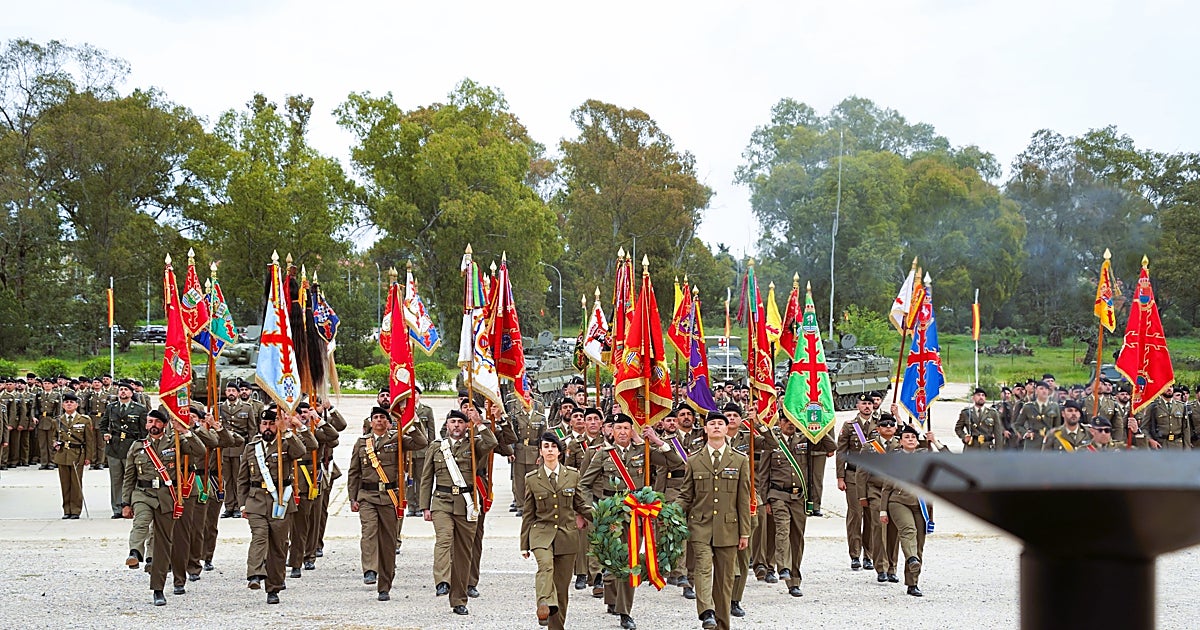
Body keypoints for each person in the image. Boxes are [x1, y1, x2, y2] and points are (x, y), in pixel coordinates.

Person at [579, 413, 682, 630]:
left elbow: (675, 462)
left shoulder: (642, 451)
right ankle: (611, 598)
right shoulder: (603, 455)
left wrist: (655, 440)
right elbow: (584, 485)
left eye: (627, 428)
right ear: (612, 431)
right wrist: (591, 510)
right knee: (612, 561)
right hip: (612, 516)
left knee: (629, 561)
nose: (623, 432)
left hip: (635, 515)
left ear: (631, 430)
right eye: (619, 428)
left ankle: (625, 612)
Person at [121, 409, 207, 605]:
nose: (153, 425)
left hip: (167, 497)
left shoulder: (175, 442)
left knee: (163, 543)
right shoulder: (137, 447)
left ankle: (158, 588)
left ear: (164, 424)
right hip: (143, 494)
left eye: (157, 422)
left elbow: (200, 451)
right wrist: (126, 503)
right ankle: (134, 552)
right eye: (150, 421)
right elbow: (129, 477)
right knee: (141, 522)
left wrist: (185, 431)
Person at [677, 410, 751, 630]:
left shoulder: (739, 460)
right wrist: (671, 514)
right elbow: (685, 495)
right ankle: (706, 611)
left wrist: (744, 532)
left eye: (721, 423)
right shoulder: (694, 460)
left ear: (727, 429)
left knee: (725, 580)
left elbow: (743, 499)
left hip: (729, 528)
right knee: (702, 568)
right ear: (706, 429)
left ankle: (722, 623)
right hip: (700, 526)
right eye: (712, 424)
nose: (717, 426)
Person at [420, 408, 498, 616]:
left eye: (460, 422)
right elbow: (427, 477)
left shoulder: (474, 444)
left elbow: (491, 444)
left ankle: (459, 600)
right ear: (446, 425)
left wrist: (479, 423)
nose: (456, 425)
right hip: (442, 502)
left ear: (466, 426)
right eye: (452, 421)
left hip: (467, 504)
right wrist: (425, 506)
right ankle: (442, 581)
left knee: (464, 553)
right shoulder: (437, 448)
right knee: (444, 539)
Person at [237, 406, 317, 604]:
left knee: (279, 546)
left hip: (280, 500)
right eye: (264, 423)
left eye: (271, 424)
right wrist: (242, 505)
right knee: (259, 536)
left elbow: (304, 449)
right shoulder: (251, 447)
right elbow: (242, 479)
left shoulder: (286, 443)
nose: (267, 427)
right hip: (256, 501)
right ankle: (254, 574)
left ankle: (273, 587)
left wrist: (287, 430)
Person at [349, 406, 429, 601]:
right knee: (369, 531)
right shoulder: (361, 443)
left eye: (382, 418)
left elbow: (421, 442)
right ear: (370, 422)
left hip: (388, 497)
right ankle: (370, 570)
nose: (378, 421)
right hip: (367, 496)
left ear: (388, 422)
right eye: (375, 418)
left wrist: (412, 422)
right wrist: (353, 497)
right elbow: (354, 472)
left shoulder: (397, 438)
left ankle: (385, 584)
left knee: (388, 540)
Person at [520, 432, 591, 628]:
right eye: (545, 447)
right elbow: (528, 512)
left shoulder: (573, 475)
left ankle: (556, 626)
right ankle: (543, 603)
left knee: (561, 589)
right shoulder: (532, 478)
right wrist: (524, 544)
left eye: (553, 447)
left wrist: (603, 518)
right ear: (540, 451)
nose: (549, 450)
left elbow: (581, 506)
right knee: (545, 566)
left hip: (566, 536)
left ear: (559, 451)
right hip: (541, 533)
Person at [764, 419, 835, 597]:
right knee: (783, 530)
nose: (790, 424)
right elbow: (764, 473)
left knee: (797, 538)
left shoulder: (804, 439)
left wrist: (816, 428)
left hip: (798, 497)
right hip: (778, 495)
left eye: (793, 421)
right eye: (786, 421)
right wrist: (765, 501)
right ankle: (783, 567)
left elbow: (830, 446)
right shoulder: (772, 441)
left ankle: (794, 581)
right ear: (780, 422)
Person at [286, 401, 341, 579]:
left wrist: (318, 419)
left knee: (312, 519)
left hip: (312, 479)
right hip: (292, 479)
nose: (302, 415)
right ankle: (293, 557)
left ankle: (308, 555)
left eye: (305, 412)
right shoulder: (287, 433)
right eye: (299, 412)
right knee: (293, 524)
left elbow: (334, 436)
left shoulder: (315, 431)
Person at [879, 423, 933, 597]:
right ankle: (911, 559)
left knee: (919, 542)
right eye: (906, 437)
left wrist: (933, 440)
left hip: (920, 504)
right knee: (908, 530)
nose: (910, 440)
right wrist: (883, 510)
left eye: (913, 437)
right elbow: (886, 487)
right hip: (898, 501)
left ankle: (913, 583)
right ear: (900, 442)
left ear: (917, 442)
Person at [857, 413, 901, 583]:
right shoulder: (870, 447)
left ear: (895, 428)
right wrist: (862, 495)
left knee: (893, 531)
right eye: (884, 425)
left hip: (894, 493)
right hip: (875, 491)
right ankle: (881, 567)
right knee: (879, 528)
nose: (888, 427)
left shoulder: (900, 446)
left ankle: (892, 567)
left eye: (891, 424)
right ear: (878, 428)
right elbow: (861, 472)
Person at [836, 394, 878, 571]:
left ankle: (868, 555)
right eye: (864, 403)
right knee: (855, 514)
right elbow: (841, 452)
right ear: (858, 405)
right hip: (853, 477)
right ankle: (854, 554)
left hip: (874, 478)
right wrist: (840, 477)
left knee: (871, 517)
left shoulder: (880, 425)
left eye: (869, 403)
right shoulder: (849, 426)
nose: (867, 406)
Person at [101, 381, 149, 518]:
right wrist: (105, 434)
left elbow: (143, 431)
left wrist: (141, 448)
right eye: (121, 389)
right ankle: (117, 508)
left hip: (131, 447)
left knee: (131, 479)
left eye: (126, 390)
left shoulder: (139, 409)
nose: (123, 392)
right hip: (114, 447)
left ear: (131, 393)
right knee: (116, 480)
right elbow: (103, 424)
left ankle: (131, 506)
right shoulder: (111, 408)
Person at [51, 392, 95, 519]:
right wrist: (55, 443)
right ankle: (67, 510)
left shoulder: (84, 420)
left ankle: (75, 510)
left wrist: (88, 457)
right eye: (66, 402)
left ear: (77, 404)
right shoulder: (58, 420)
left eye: (71, 402)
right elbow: (53, 436)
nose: (69, 404)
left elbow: (89, 440)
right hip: (62, 455)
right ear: (63, 405)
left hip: (77, 455)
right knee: (65, 484)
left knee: (76, 484)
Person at [1016, 381, 1061, 448]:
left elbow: (1057, 427)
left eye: (1046, 389)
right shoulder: (1028, 407)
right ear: (1036, 391)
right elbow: (1018, 424)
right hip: (1032, 442)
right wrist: (1025, 433)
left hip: (1049, 442)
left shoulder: (1054, 406)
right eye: (1041, 388)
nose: (1044, 391)